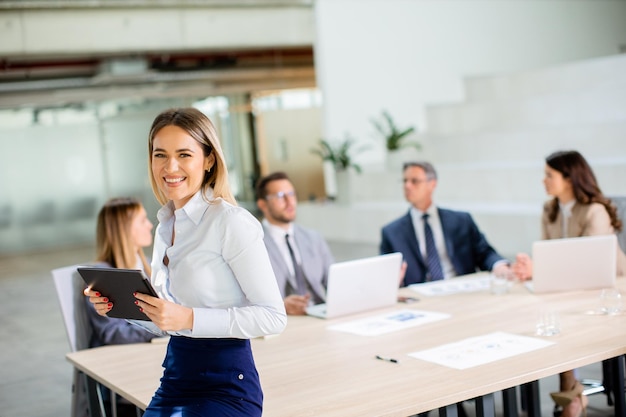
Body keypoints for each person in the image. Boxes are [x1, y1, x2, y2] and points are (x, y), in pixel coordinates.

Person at [86, 107, 287, 416]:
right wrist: (119, 308)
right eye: (160, 155)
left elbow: (273, 318)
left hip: (227, 385)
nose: (170, 166)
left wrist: (189, 318)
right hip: (176, 378)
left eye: (184, 154)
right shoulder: (167, 224)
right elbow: (170, 323)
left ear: (208, 160)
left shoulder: (230, 223)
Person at [512, 150, 626, 417]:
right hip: (571, 286)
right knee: (541, 315)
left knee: (560, 319)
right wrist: (530, 267)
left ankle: (571, 396)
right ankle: (571, 395)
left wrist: (537, 268)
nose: (543, 181)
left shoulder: (595, 211)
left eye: (549, 175)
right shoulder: (549, 209)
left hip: (610, 287)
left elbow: (589, 263)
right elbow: (550, 255)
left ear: (570, 178)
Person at [380, 161, 511, 287]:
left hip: (460, 288)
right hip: (419, 296)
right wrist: (393, 281)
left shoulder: (461, 220)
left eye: (414, 181)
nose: (407, 186)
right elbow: (386, 274)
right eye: (405, 181)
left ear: (432, 184)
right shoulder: (391, 232)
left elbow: (485, 253)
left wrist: (499, 266)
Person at [255, 171, 334, 315]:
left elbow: (335, 282)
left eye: (291, 194)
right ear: (263, 205)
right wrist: (281, 306)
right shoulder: (254, 243)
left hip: (319, 312)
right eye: (280, 196)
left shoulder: (313, 238)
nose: (290, 201)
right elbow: (249, 298)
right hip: (281, 320)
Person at [87, 197, 157, 348]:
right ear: (124, 228)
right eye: (143, 220)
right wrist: (160, 328)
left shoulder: (149, 264)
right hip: (119, 357)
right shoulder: (102, 275)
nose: (150, 225)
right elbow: (113, 333)